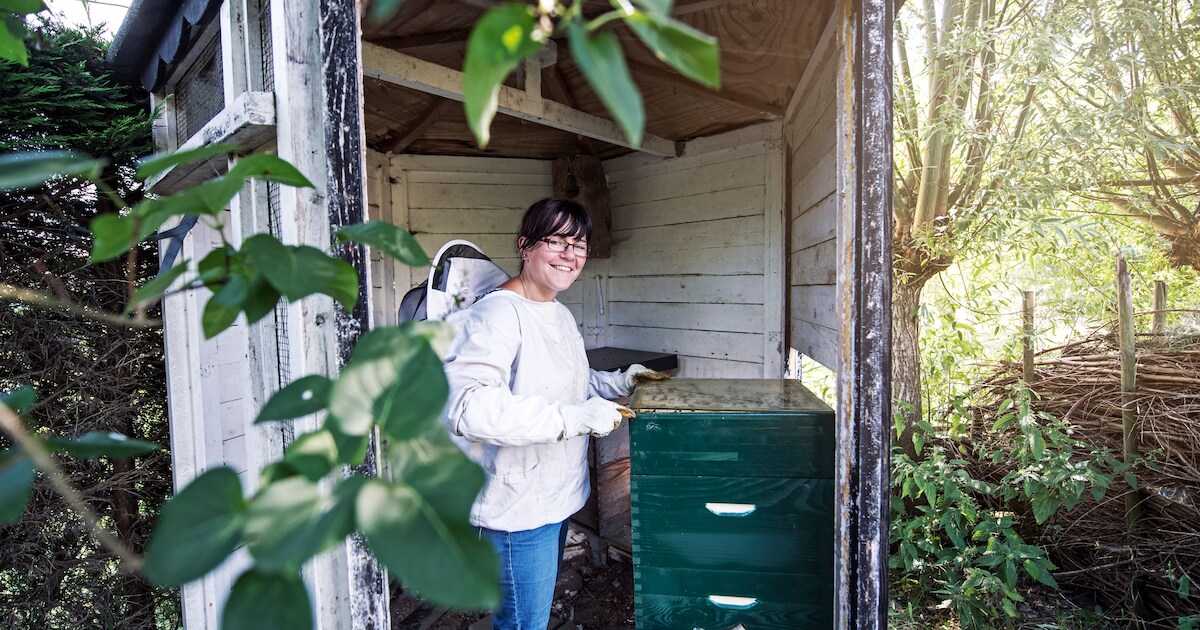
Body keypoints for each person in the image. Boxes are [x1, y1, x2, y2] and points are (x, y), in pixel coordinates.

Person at [441, 198, 652, 629]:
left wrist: (621, 382)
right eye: (556, 241)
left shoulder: (557, 312)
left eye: (579, 245)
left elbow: (571, 382)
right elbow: (467, 407)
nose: (569, 255)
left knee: (528, 616)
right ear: (525, 246)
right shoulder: (498, 314)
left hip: (556, 498)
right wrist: (573, 419)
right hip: (515, 513)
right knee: (524, 623)